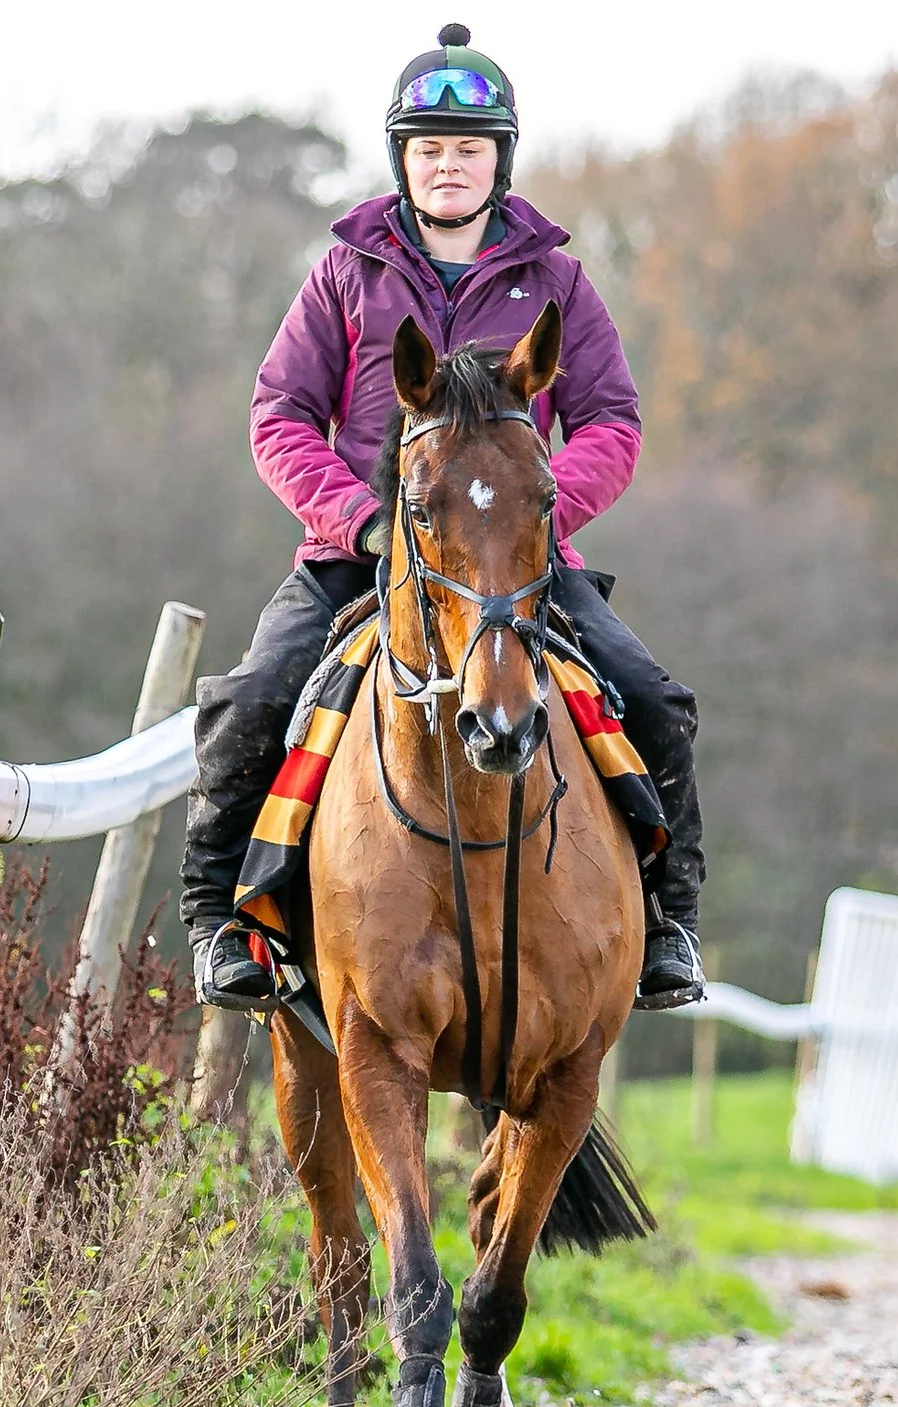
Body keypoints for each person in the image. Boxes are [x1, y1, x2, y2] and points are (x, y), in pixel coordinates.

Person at [181, 22, 705, 1013]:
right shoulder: (345, 273)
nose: (449, 166)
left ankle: (667, 922)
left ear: (500, 161)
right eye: (430, 149)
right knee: (249, 700)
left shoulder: (559, 281)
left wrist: (533, 515)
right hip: (362, 556)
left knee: (652, 697)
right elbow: (279, 414)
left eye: (469, 148)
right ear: (403, 160)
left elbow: (611, 420)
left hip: (515, 565)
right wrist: (359, 520)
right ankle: (222, 922)